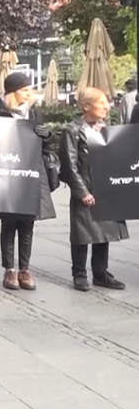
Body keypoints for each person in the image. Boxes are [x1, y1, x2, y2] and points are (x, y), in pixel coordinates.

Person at [0, 72, 56, 290]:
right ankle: (9, 270)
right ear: (13, 92)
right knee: (9, 223)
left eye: (30, 89)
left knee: (27, 224)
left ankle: (25, 270)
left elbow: (46, 143)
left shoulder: (34, 111)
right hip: (6, 175)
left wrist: (45, 133)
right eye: (25, 90)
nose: (30, 93)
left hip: (30, 173)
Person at [60, 87, 127, 291]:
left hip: (104, 187)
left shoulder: (105, 127)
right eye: (101, 103)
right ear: (86, 106)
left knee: (103, 232)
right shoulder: (72, 130)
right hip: (86, 187)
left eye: (107, 102)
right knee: (82, 233)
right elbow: (69, 166)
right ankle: (79, 273)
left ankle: (100, 273)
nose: (106, 106)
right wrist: (82, 192)